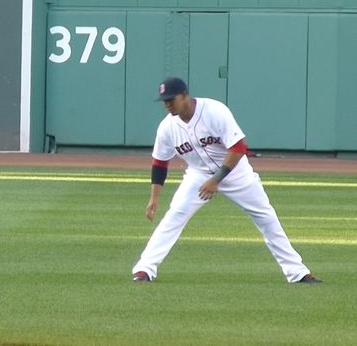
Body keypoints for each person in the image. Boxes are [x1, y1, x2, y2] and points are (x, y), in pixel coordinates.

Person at [131, 77, 319, 284]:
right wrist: (154, 198)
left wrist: (216, 180)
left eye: (170, 99)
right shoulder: (167, 127)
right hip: (198, 174)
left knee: (266, 217)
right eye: (164, 101)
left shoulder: (214, 111)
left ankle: (298, 273)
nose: (167, 104)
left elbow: (238, 148)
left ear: (184, 95)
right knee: (174, 216)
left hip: (236, 171)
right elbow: (159, 163)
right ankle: (144, 269)